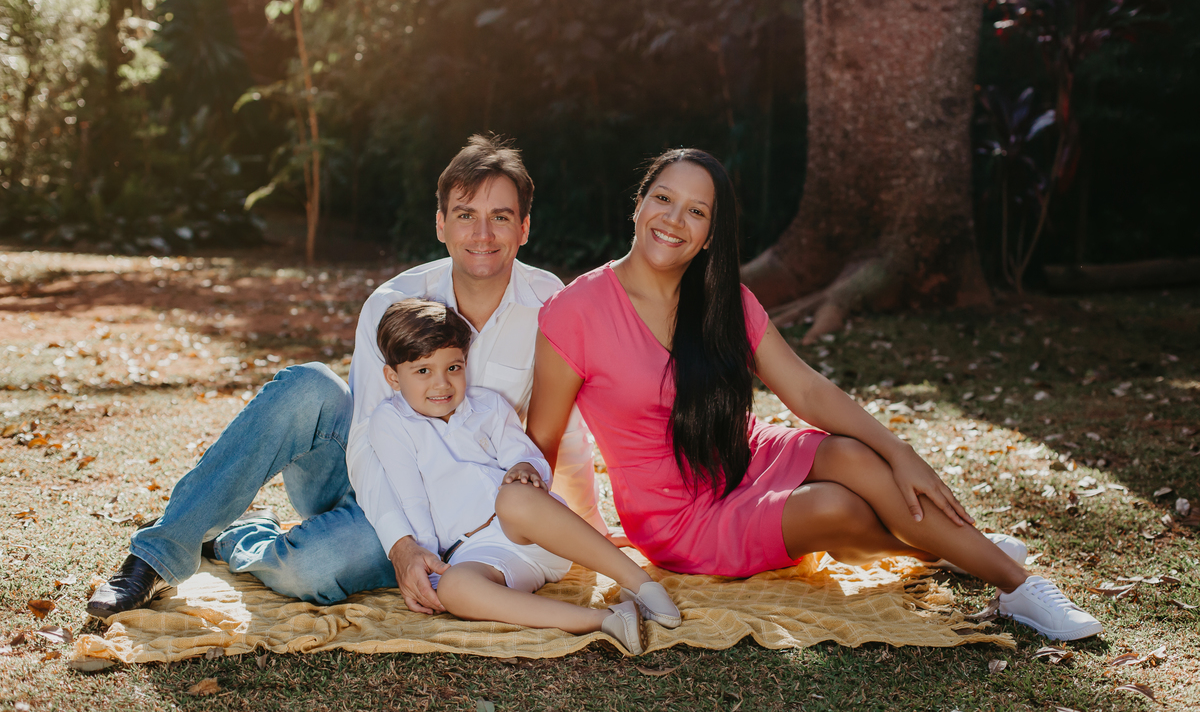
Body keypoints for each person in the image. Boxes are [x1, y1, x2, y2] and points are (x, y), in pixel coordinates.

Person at [527, 148, 1103, 642]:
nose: (674, 219)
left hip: (747, 455)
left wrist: (901, 452)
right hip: (678, 517)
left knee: (853, 456)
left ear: (710, 235)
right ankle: (957, 550)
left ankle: (1015, 587)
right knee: (835, 508)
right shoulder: (575, 312)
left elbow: (803, 386)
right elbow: (543, 441)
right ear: (638, 204)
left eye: (696, 211)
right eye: (663, 198)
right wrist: (519, 533)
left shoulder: (724, 298)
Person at [88, 135, 608, 618]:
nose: (482, 234)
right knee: (307, 386)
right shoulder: (393, 301)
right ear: (440, 224)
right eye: (465, 215)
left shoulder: (549, 305)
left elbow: (561, 426)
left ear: (524, 228)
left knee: (311, 570)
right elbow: (363, 436)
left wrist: (583, 523)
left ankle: (238, 536)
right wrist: (400, 546)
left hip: (460, 514)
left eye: (500, 217)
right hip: (373, 478)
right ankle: (156, 557)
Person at [367, 298, 679, 654]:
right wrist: (429, 570)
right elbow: (411, 499)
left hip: (534, 533)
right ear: (393, 377)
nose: (442, 384)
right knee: (455, 587)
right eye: (423, 371)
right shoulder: (390, 422)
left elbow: (524, 454)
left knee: (513, 497)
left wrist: (525, 467)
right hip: (479, 554)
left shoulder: (488, 405)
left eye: (453, 367)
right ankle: (605, 619)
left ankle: (640, 584)